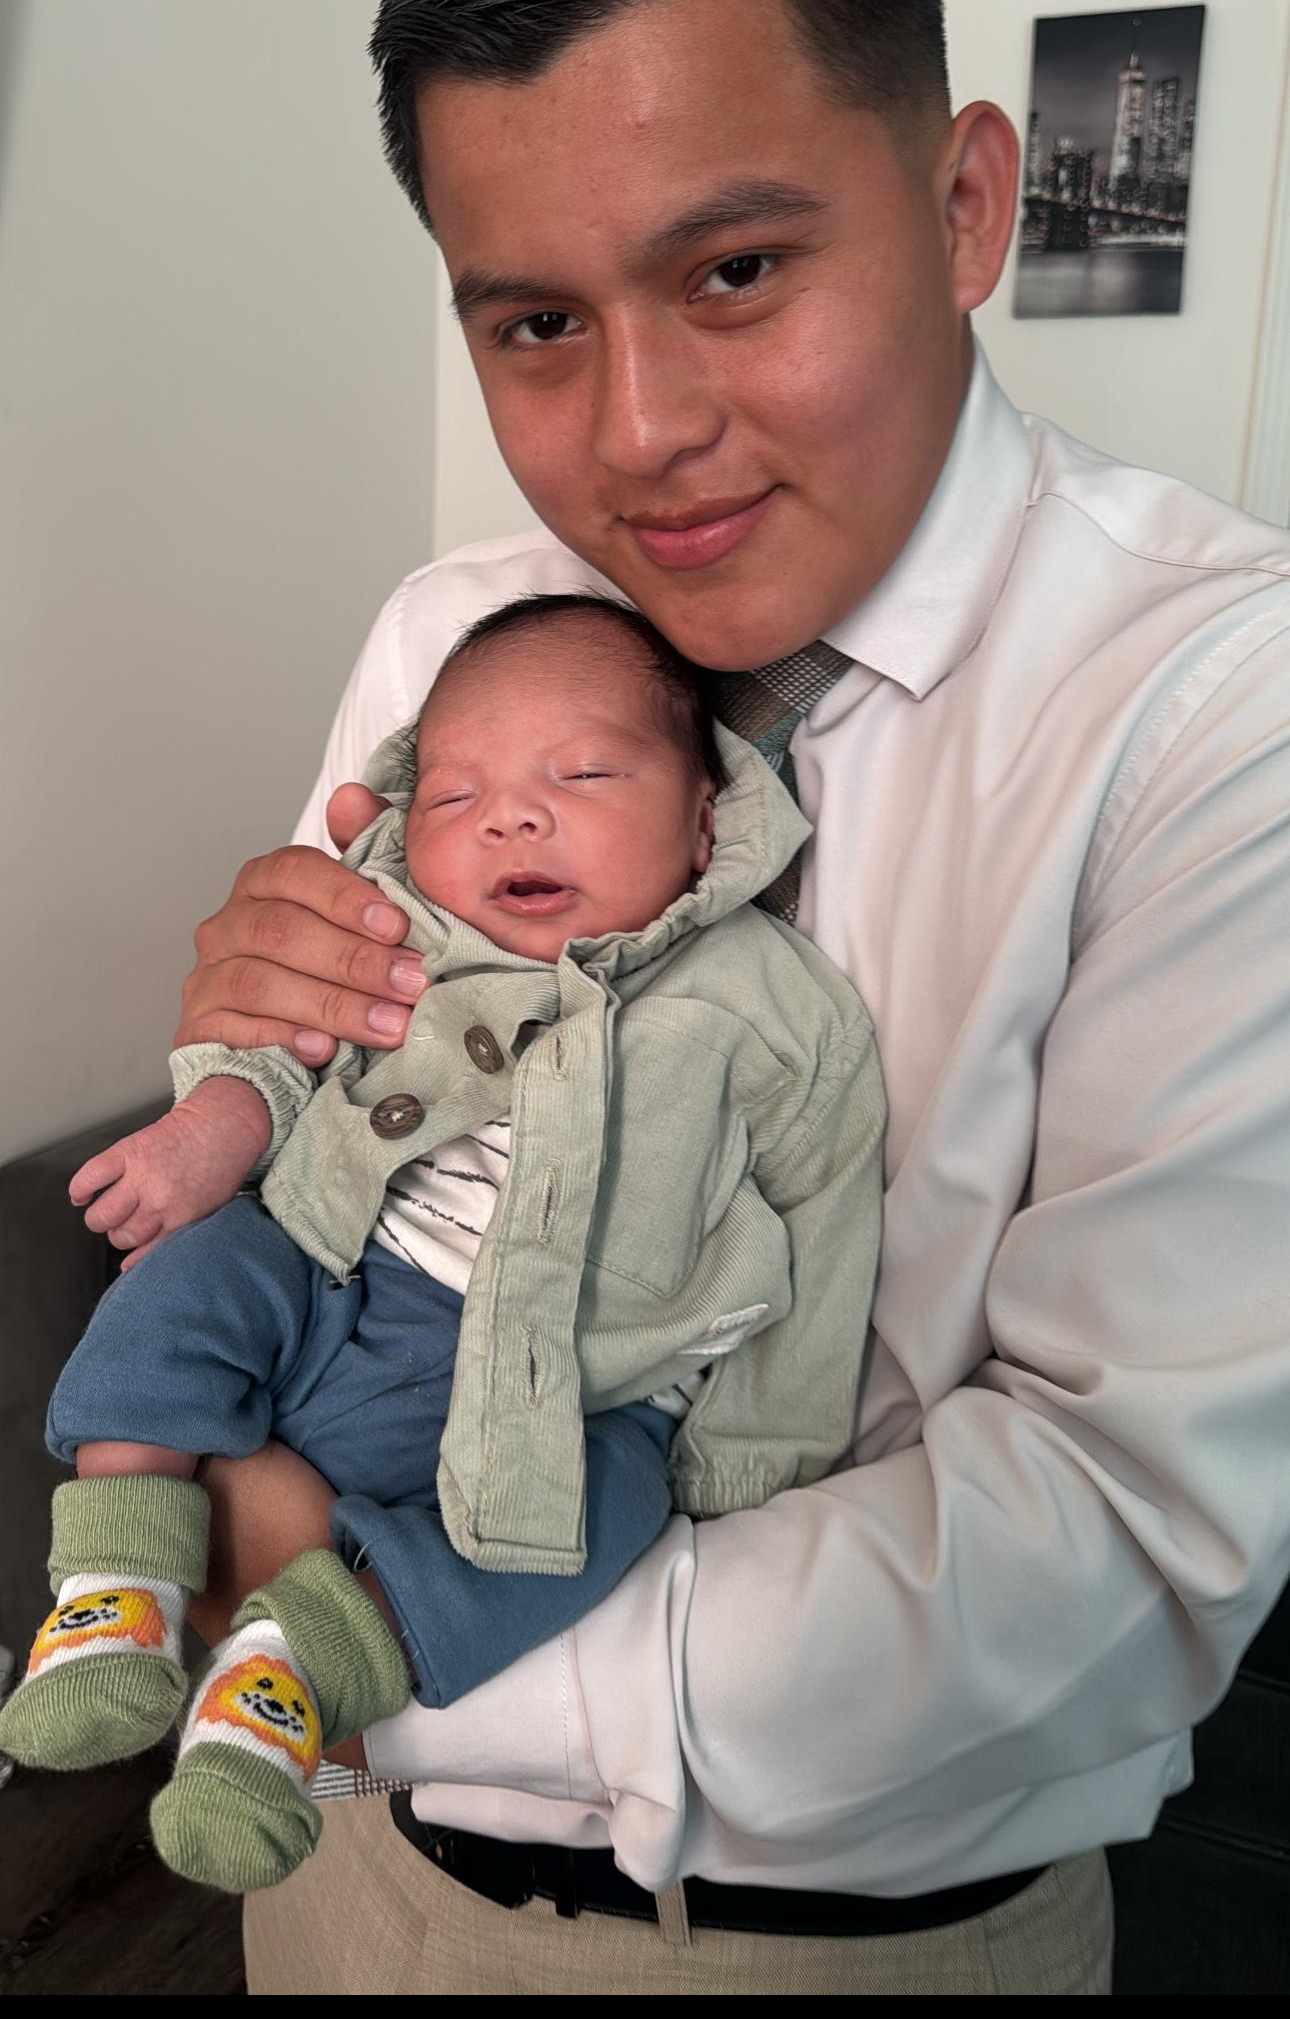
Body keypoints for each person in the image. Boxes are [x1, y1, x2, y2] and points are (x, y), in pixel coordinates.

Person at [113, 0, 1290, 1994]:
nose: (640, 429)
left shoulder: (1217, 711)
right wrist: (256, 1066)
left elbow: (1127, 1539)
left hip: (824, 1938)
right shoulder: (448, 639)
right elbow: (347, 1161)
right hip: (327, 1878)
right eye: (533, 325)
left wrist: (339, 1644)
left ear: (964, 202)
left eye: (734, 272)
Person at [0, 594, 883, 1895]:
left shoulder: (774, 1008)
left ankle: (292, 1679)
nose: (510, 817)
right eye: (457, 795)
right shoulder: (393, 928)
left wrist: (756, 1454)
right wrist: (207, 1129)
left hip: (575, 1390)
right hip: (333, 1269)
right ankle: (114, 1576)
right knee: (190, 1280)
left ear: (708, 819)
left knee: (607, 1516)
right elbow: (282, 1050)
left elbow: (824, 1226)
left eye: (582, 777)